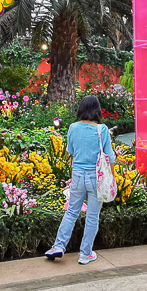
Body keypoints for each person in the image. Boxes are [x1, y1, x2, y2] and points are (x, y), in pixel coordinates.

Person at [45, 95, 115, 265]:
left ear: (81, 109)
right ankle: (85, 254)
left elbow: (71, 151)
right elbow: (110, 158)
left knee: (71, 211)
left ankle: (58, 246)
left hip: (77, 174)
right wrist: (111, 179)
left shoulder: (73, 128)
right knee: (92, 216)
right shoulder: (102, 130)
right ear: (97, 110)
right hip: (96, 178)